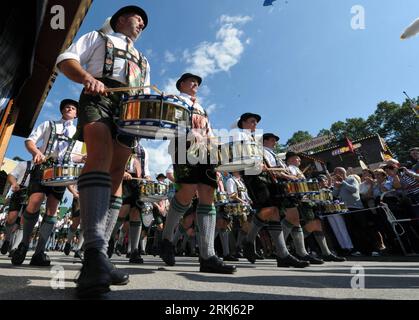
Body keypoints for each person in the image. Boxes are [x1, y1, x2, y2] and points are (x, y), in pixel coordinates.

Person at [56, 5, 150, 297]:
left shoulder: (143, 60)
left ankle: (100, 256)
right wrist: (86, 78)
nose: (141, 25)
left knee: (117, 174)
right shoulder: (97, 37)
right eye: (138, 19)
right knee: (98, 154)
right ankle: (95, 251)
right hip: (98, 96)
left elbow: (144, 93)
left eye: (144, 24)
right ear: (121, 19)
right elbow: (66, 60)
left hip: (130, 108)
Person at [159, 73, 236, 274]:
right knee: (186, 193)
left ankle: (207, 255)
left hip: (205, 152)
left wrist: (217, 151)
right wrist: (186, 132)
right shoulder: (173, 100)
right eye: (191, 81)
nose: (195, 84)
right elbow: (167, 123)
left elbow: (209, 132)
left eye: (198, 82)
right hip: (183, 148)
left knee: (208, 195)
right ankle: (166, 238)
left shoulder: (202, 108)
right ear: (181, 84)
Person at [11, 99, 82, 267]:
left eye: (72, 108)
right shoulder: (48, 124)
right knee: (34, 202)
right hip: (43, 166)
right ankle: (24, 244)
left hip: (61, 172)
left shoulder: (78, 134)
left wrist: (83, 157)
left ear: (76, 114)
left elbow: (74, 156)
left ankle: (39, 252)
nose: (69, 109)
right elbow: (29, 141)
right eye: (66, 107)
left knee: (52, 210)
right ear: (62, 111)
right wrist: (36, 152)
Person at [236, 117, 309, 268]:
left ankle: (281, 255)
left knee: (273, 212)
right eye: (251, 121)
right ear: (242, 124)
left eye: (256, 122)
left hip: (268, 179)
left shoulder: (254, 140)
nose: (255, 124)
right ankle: (251, 241)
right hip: (254, 179)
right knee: (268, 210)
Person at [0, 160, 32, 255]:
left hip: (33, 193)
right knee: (10, 219)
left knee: (24, 221)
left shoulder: (45, 167)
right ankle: (7, 239)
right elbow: (11, 175)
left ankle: (14, 248)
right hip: (19, 190)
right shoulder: (24, 164)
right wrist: (14, 183)